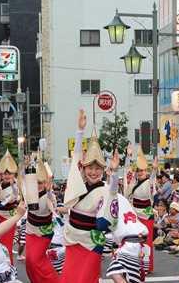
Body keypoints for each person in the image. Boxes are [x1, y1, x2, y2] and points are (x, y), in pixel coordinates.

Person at [60, 109, 118, 283]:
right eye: (90, 168)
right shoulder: (77, 184)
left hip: (92, 242)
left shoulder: (106, 189)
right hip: (72, 238)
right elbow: (76, 155)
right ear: (83, 168)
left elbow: (114, 191)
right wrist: (80, 131)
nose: (93, 172)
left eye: (97, 168)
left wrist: (114, 171)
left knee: (86, 279)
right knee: (69, 279)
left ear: (102, 170)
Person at [23, 158, 59, 283]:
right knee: (29, 262)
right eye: (35, 182)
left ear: (45, 183)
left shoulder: (50, 195)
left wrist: (48, 192)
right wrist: (26, 167)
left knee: (35, 260)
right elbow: (22, 182)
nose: (37, 185)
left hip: (43, 233)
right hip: (30, 230)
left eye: (40, 183)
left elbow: (52, 206)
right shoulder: (29, 193)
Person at [123, 145, 157, 273]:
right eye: (139, 171)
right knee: (136, 241)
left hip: (147, 216)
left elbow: (153, 177)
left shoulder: (149, 182)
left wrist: (154, 169)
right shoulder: (133, 183)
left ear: (146, 171)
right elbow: (127, 171)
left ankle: (147, 266)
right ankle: (137, 265)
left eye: (143, 171)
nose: (140, 173)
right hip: (135, 216)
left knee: (147, 241)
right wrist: (128, 156)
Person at [105, 194, 150, 283]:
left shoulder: (115, 212)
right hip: (138, 246)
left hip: (129, 247)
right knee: (127, 274)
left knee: (115, 271)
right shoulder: (131, 215)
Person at [0, 148, 19, 265]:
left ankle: (8, 269)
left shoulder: (16, 186)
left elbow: (14, 196)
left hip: (8, 219)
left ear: (13, 174)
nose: (7, 175)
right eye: (5, 173)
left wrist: (12, 186)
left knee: (6, 245)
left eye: (10, 173)